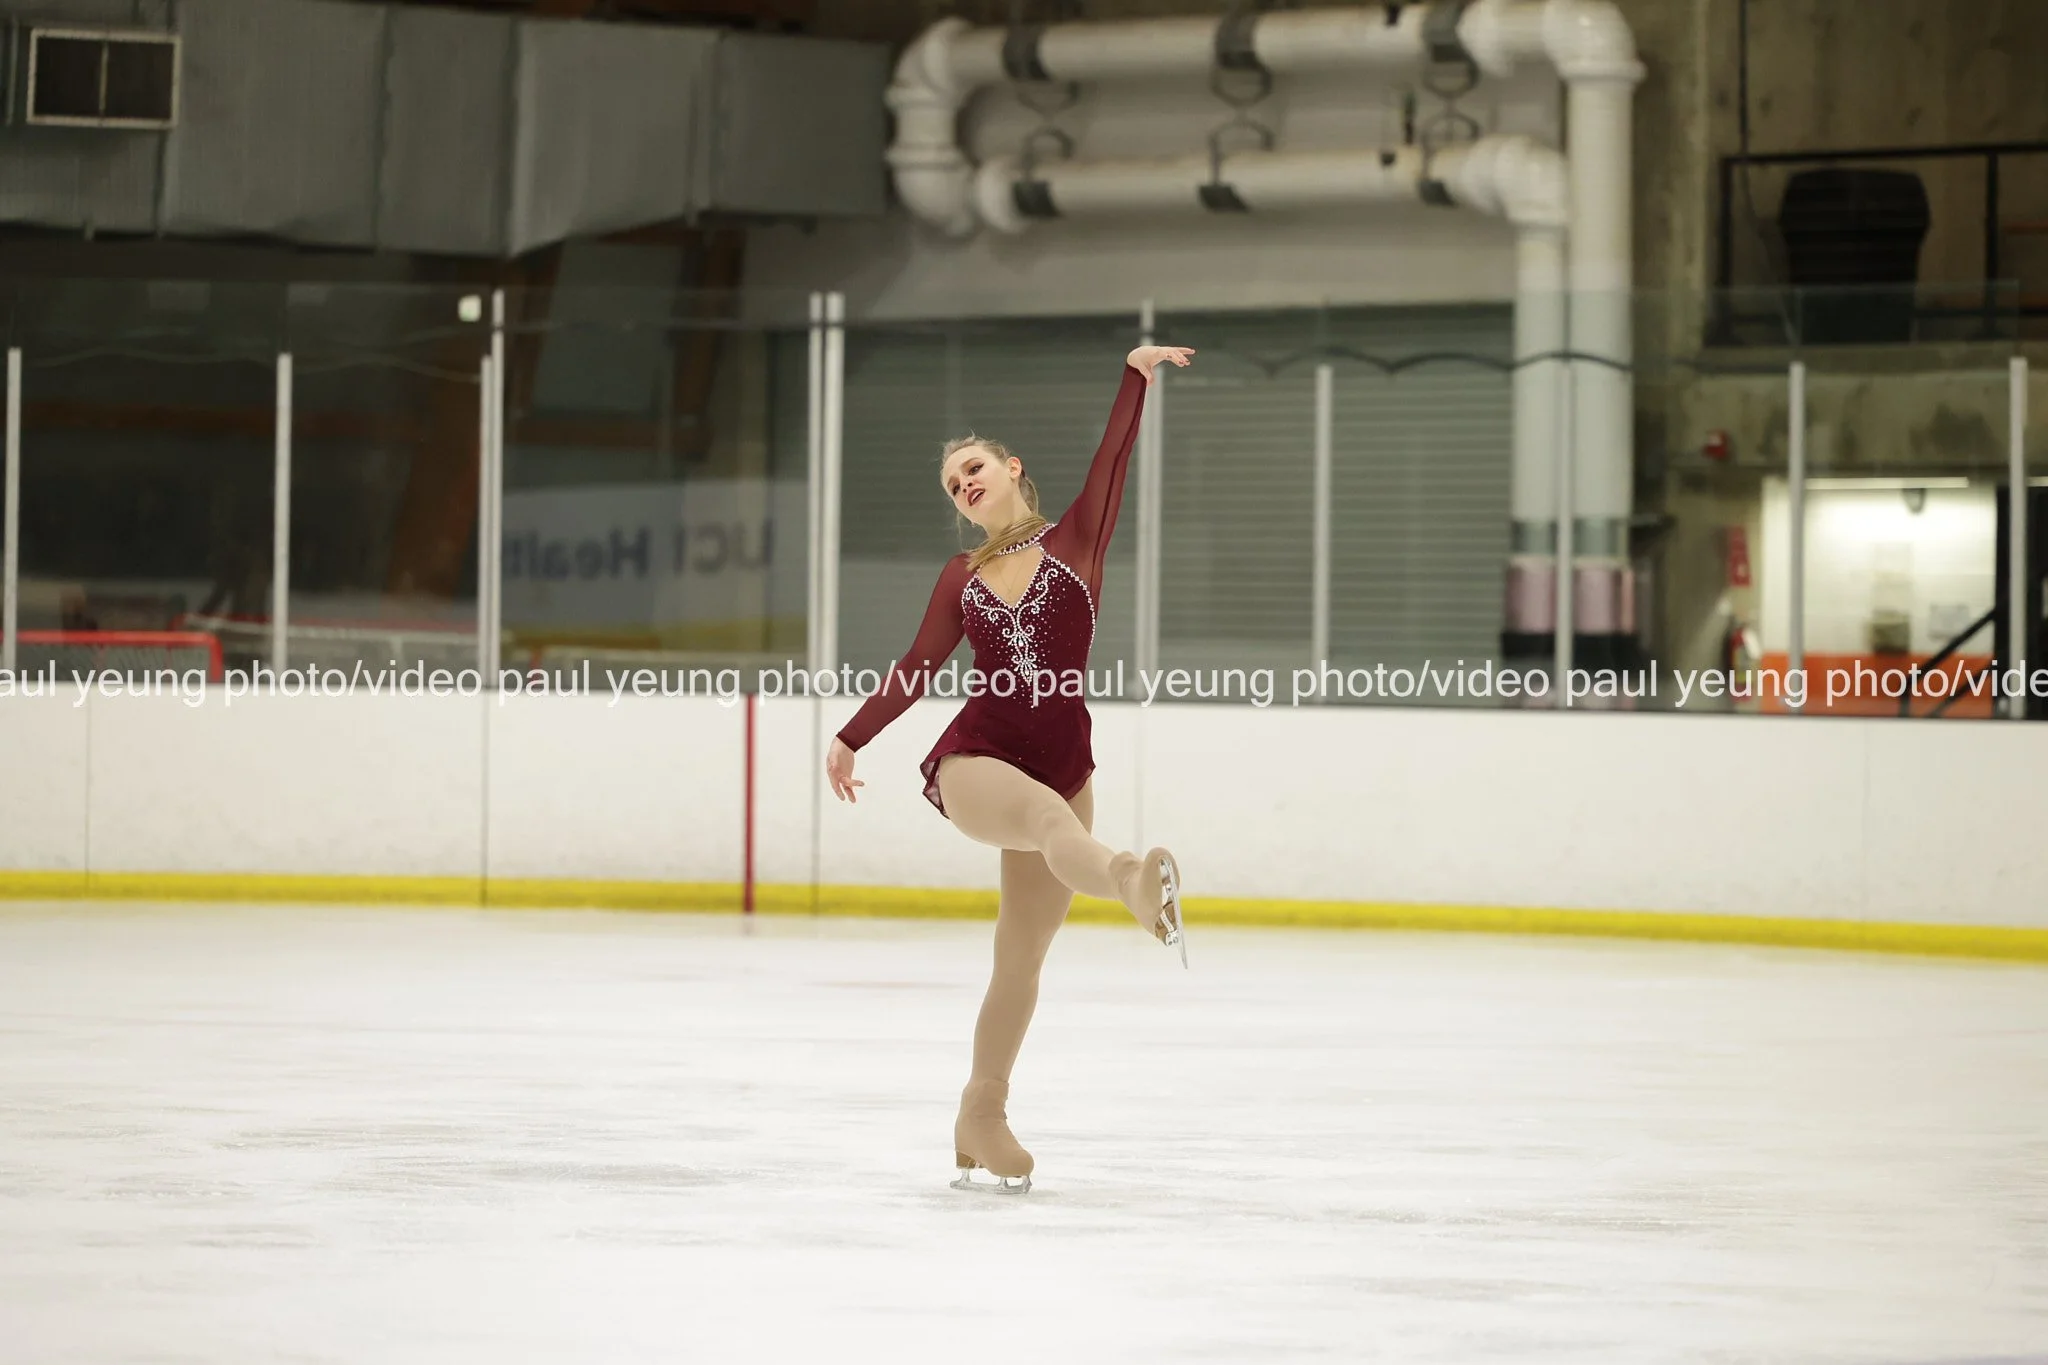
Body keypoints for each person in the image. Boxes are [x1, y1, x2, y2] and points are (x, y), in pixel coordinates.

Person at [824, 343, 1195, 1194]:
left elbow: (1114, 458)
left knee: (1020, 957)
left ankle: (980, 1113)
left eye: (974, 468)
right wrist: (851, 735)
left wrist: (1134, 375)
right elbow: (917, 666)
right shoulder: (961, 577)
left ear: (1012, 468)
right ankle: (1134, 883)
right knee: (1047, 822)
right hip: (978, 759)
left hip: (1064, 762)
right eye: (953, 483)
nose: (965, 484)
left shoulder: (1077, 541)